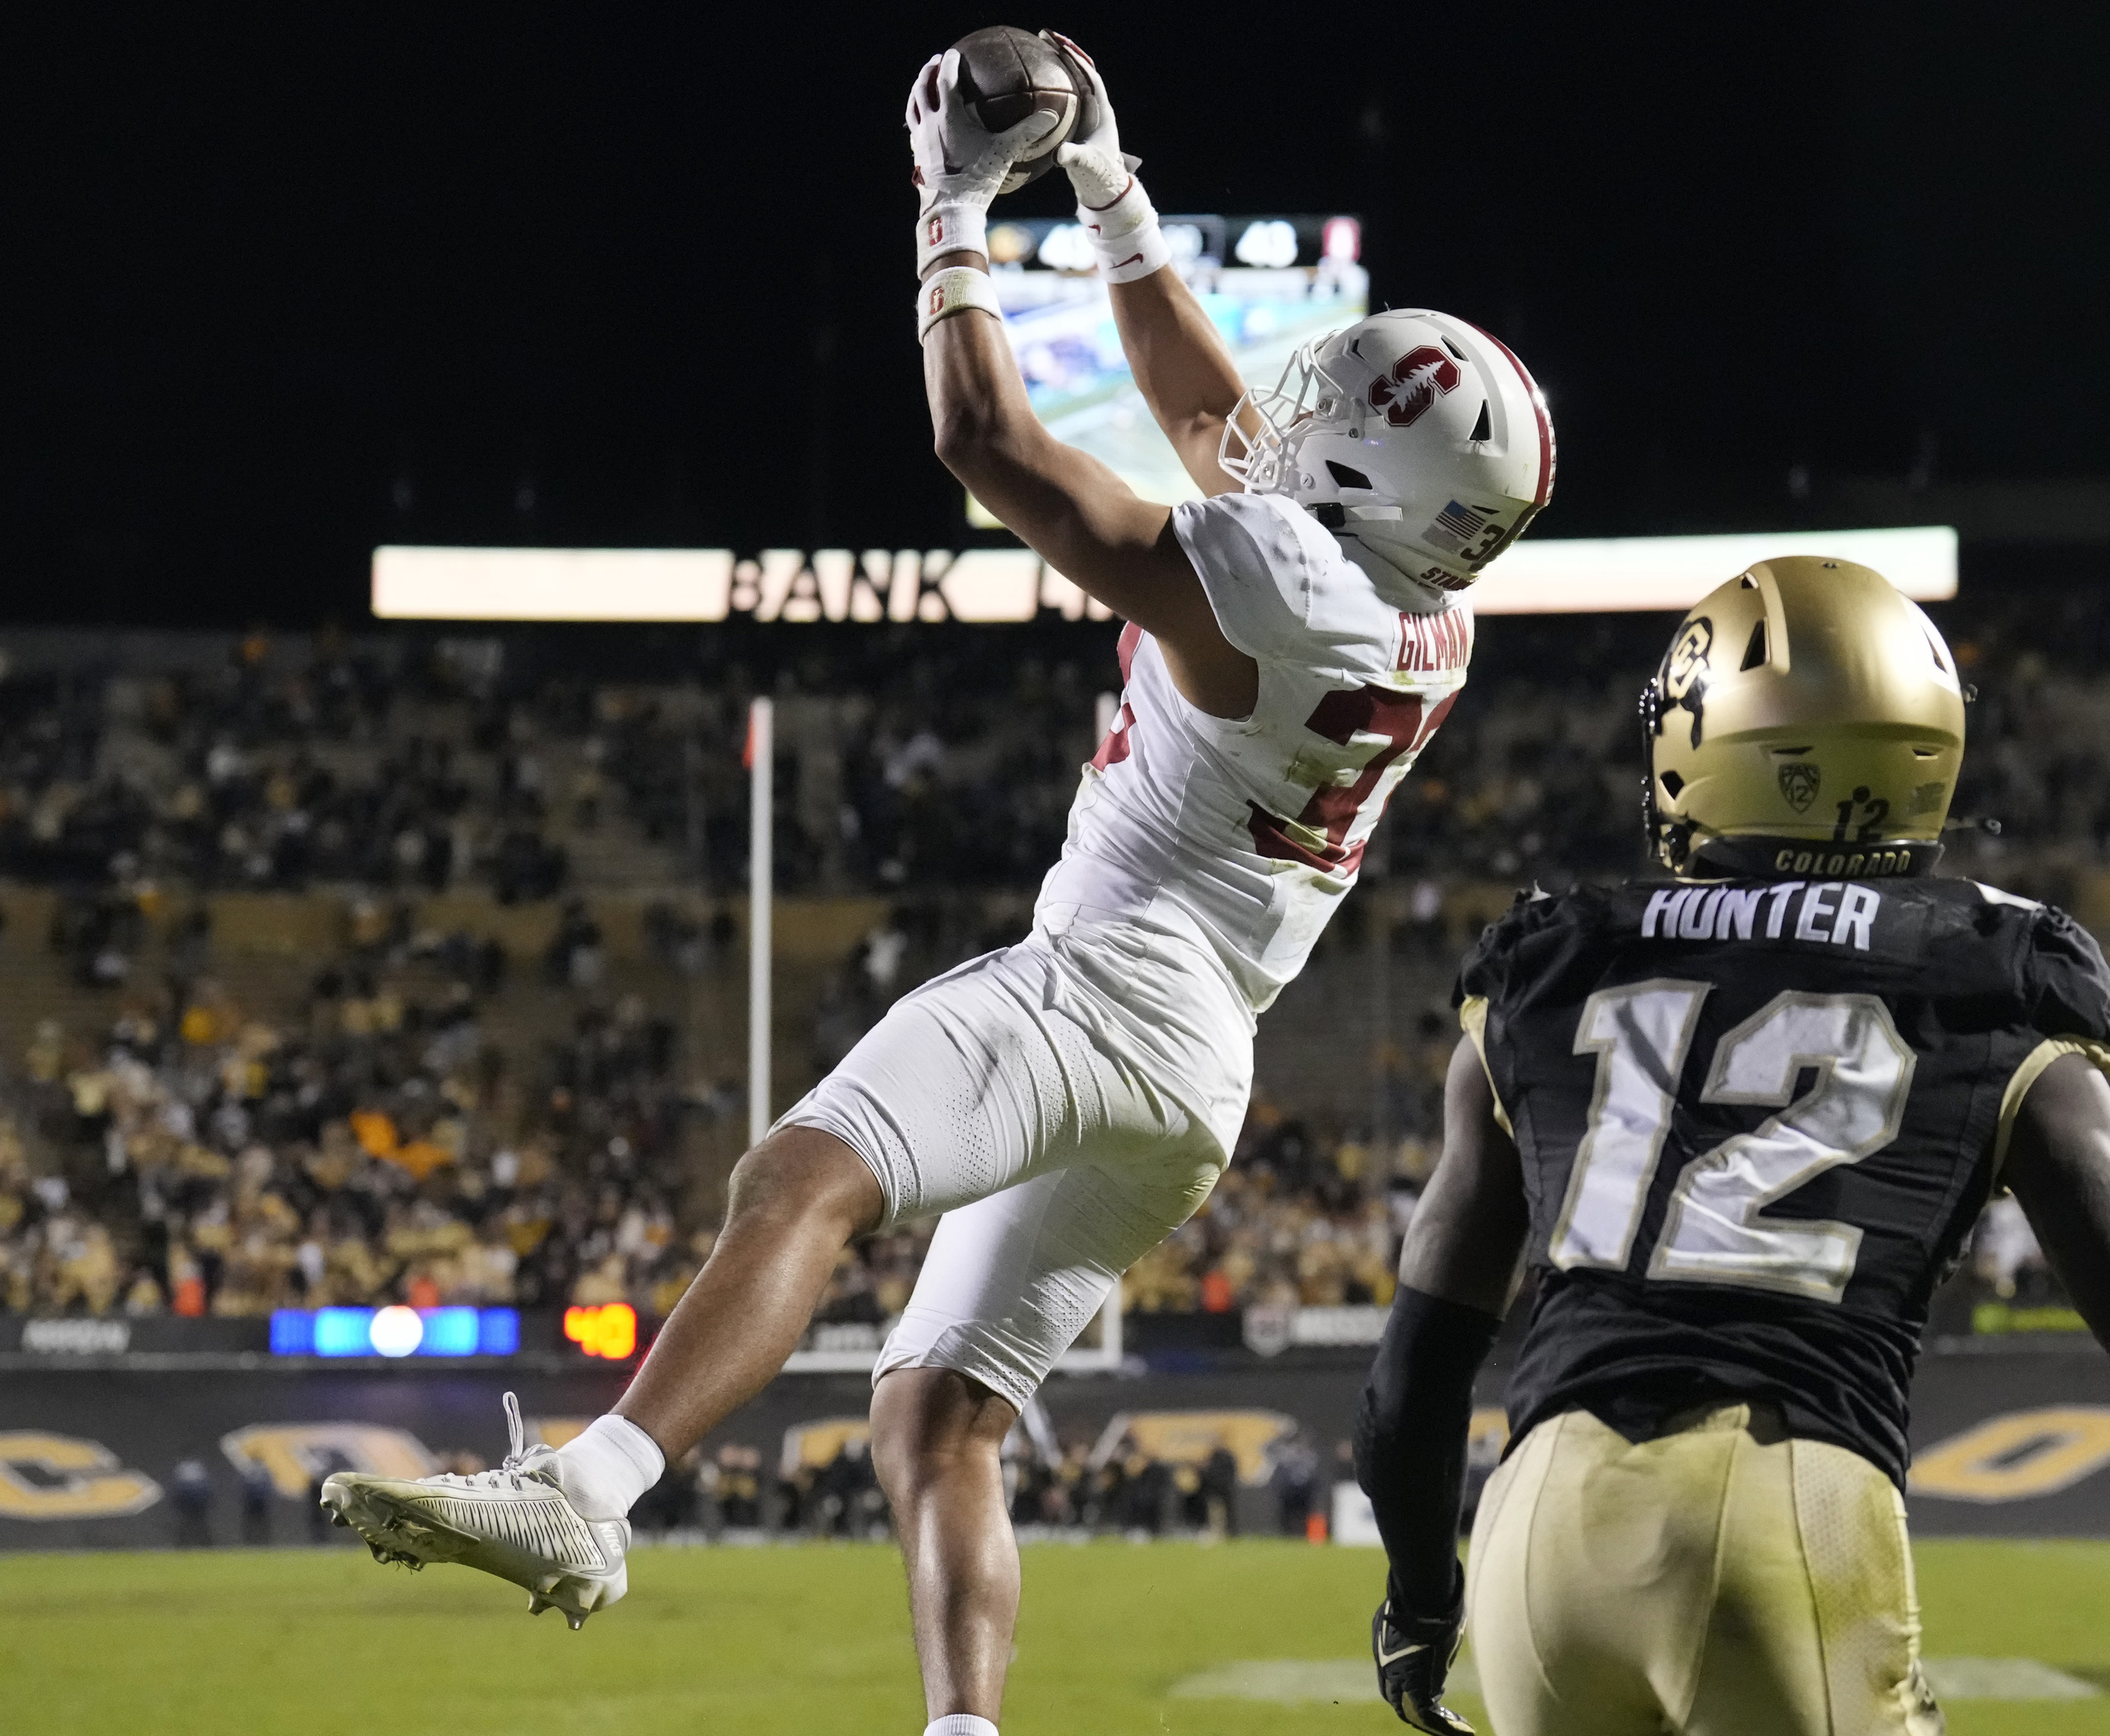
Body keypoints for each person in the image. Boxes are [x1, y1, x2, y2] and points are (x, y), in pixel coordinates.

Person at [318, 28, 1551, 1736]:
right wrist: (1111, 190)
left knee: (803, 1169)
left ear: (1358, 479)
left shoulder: (1281, 577)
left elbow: (991, 445)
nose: (1292, 420)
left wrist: (955, 201)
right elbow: (1215, 418)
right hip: (1196, 1065)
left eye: (1330, 414)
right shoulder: (1427, 607)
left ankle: (590, 1488)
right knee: (937, 1415)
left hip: (1106, 987)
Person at [1351, 558, 2110, 1736]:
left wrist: (1419, 1589)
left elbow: (1418, 1359)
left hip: (1537, 1523)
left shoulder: (1553, 954)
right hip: (1781, 1491)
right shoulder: (1992, 969)